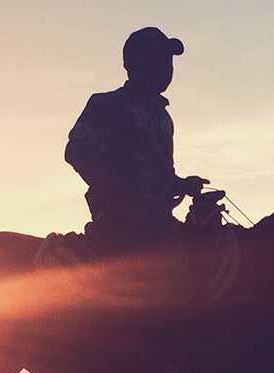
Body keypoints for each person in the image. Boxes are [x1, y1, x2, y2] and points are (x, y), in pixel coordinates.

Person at [64, 26, 213, 255]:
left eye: (168, 62)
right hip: (119, 224)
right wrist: (121, 199)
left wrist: (183, 184)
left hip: (159, 220)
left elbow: (159, 176)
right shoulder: (108, 105)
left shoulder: (163, 118)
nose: (165, 68)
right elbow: (77, 152)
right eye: (156, 60)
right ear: (132, 65)